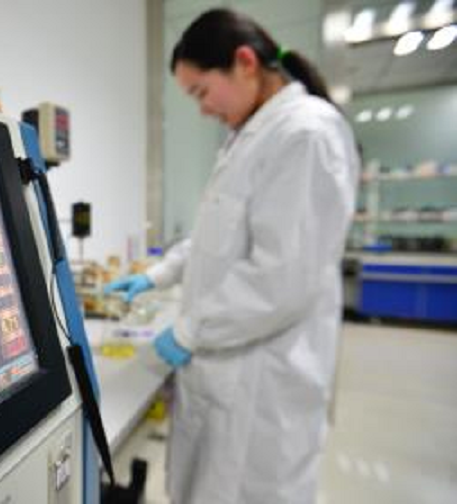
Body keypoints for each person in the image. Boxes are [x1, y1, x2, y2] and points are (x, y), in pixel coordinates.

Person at [105, 8, 359, 504]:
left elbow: (280, 278)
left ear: (245, 62)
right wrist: (156, 276)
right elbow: (213, 238)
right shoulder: (246, 139)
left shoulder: (306, 134)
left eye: (201, 91)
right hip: (225, 372)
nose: (203, 109)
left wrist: (189, 331)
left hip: (264, 388)